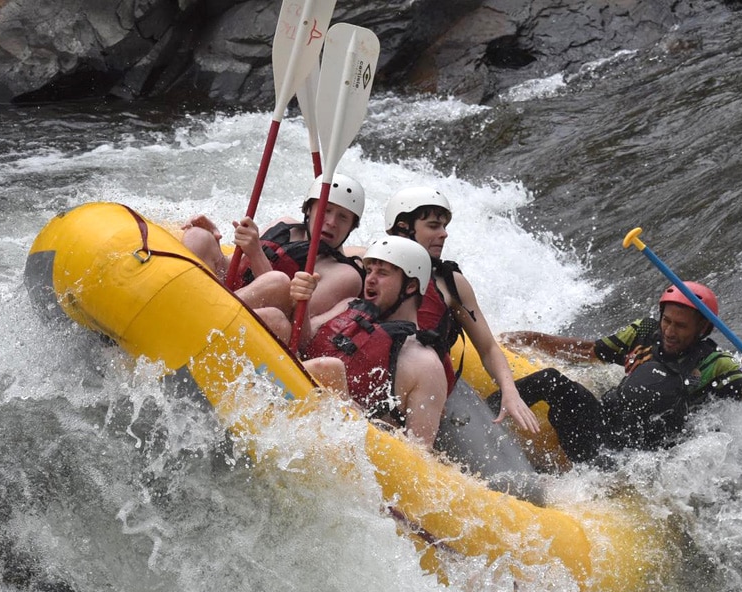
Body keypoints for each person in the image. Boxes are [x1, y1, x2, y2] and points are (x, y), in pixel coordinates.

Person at [501, 281, 742, 462]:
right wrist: (529, 339)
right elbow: (588, 352)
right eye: (666, 321)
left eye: (680, 326)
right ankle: (484, 414)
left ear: (703, 329)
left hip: (636, 459)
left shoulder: (715, 363)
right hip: (600, 427)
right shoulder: (644, 331)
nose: (669, 331)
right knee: (551, 380)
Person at [379, 187, 542, 435]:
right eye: (434, 226)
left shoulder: (451, 284)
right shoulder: (368, 267)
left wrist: (511, 393)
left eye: (444, 226)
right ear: (403, 227)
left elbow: (487, 348)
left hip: (427, 391)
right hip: (378, 375)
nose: (444, 234)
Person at [274, 236, 447, 449]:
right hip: (296, 404)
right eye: (370, 271)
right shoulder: (349, 306)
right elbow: (303, 344)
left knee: (329, 369)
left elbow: (420, 454)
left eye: (382, 273)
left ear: (410, 286)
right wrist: (302, 301)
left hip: (346, 446)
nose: (370, 279)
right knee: (274, 318)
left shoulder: (425, 365)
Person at [181, 173, 366, 318]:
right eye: (326, 210)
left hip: (260, 320)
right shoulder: (284, 225)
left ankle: (202, 313)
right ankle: (180, 300)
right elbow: (231, 267)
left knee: (278, 282)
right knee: (199, 237)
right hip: (229, 293)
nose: (332, 222)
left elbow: (295, 318)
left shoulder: (345, 274)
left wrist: (255, 253)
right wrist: (214, 238)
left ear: (351, 226)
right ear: (309, 209)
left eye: (343, 217)